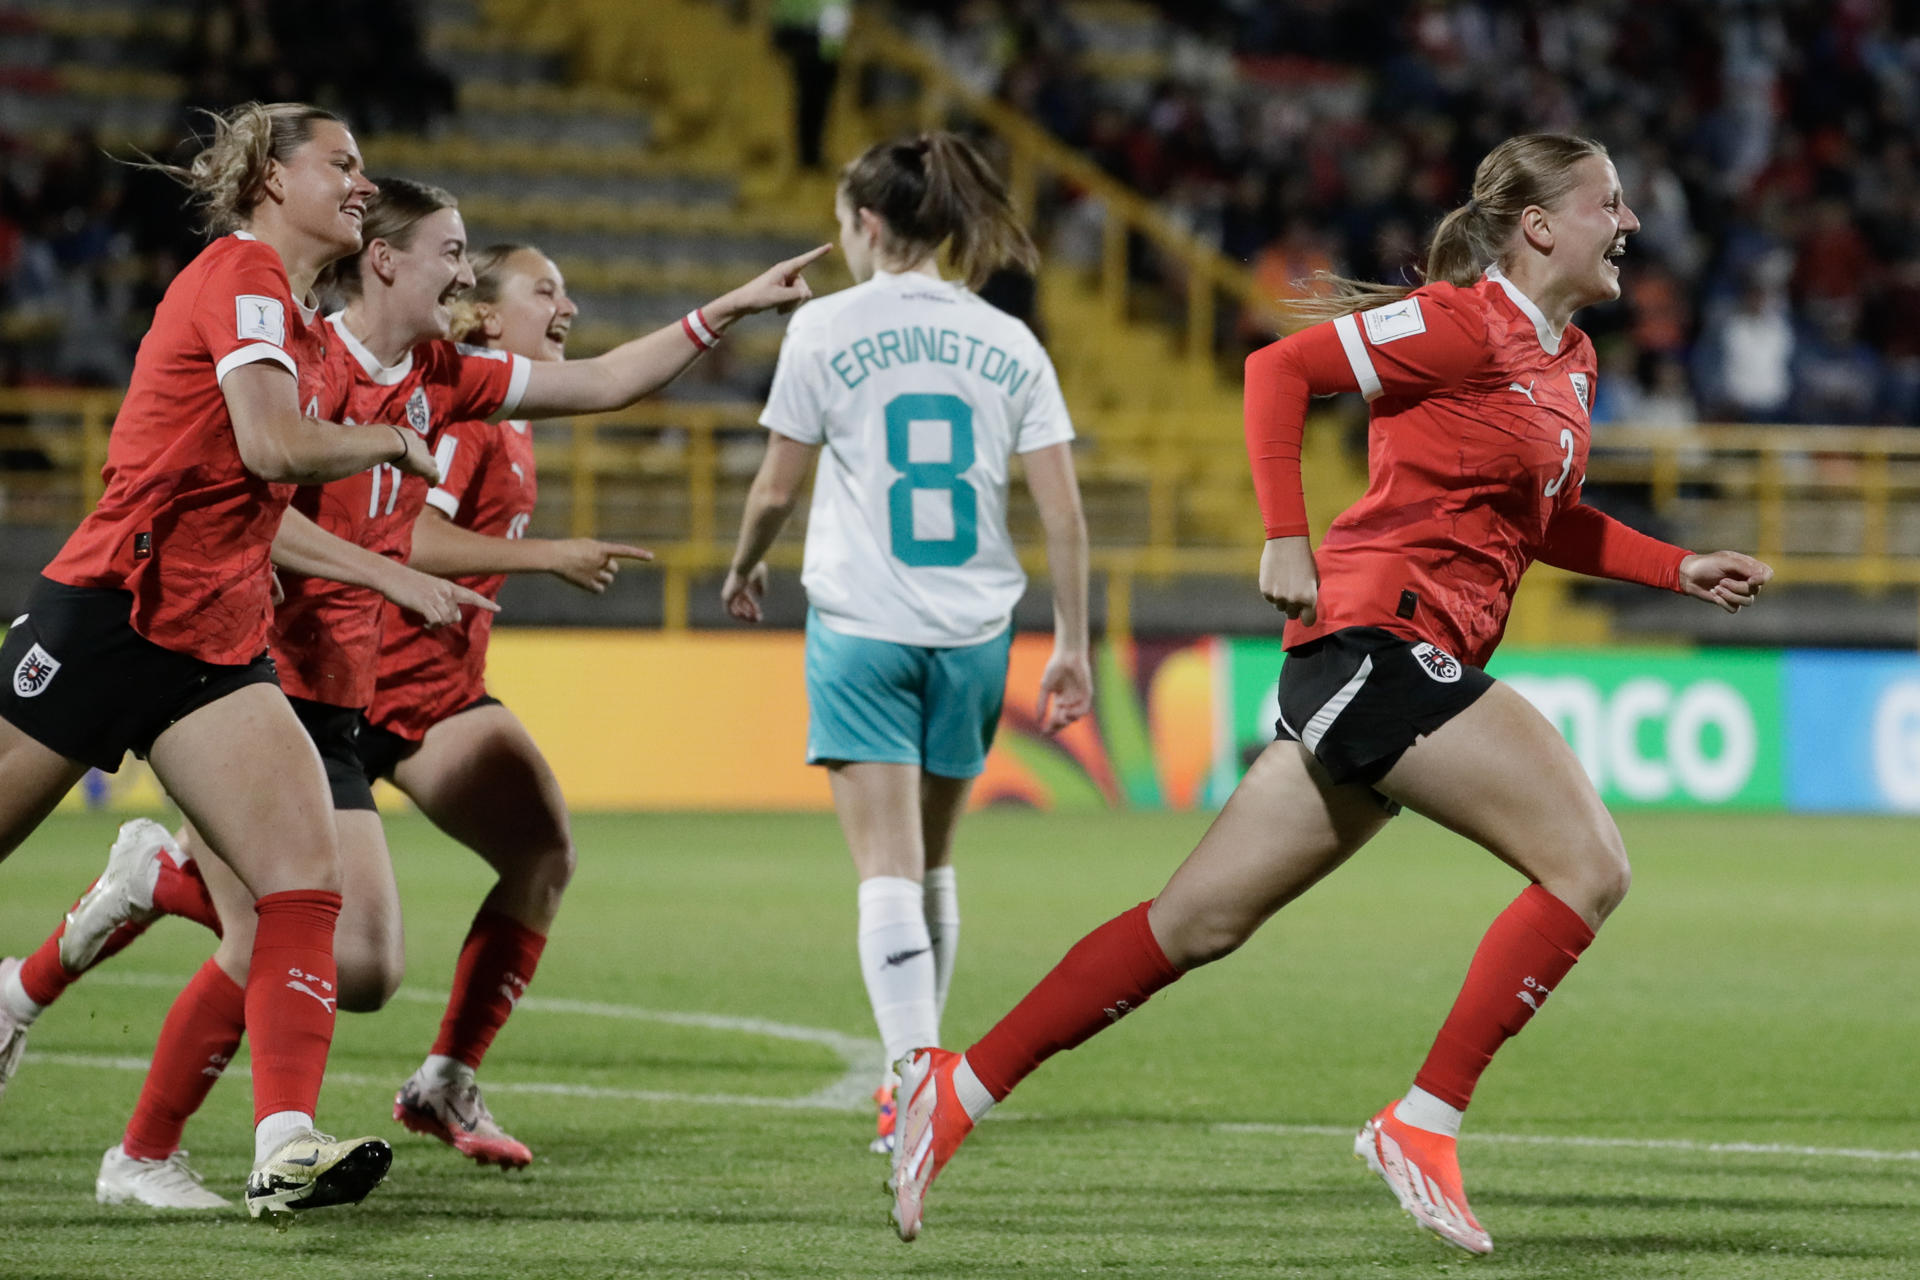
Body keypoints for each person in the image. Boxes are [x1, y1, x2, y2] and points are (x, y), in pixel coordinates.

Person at [886, 134, 1775, 1253]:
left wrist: (1673, 565)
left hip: (1394, 662)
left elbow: (1540, 518)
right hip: (1378, 639)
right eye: (1610, 201)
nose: (1632, 221)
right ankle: (1423, 1121)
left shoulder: (1572, 359)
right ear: (1540, 224)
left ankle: (956, 1086)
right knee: (1589, 862)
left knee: (1195, 921)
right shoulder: (1459, 322)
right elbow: (1277, 372)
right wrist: (1283, 536)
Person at [0, 179, 828, 1207]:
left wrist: (731, 308)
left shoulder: (439, 373)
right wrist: (391, 571)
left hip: (346, 694)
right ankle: (171, 1145)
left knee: (366, 961)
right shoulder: (299, 358)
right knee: (291, 926)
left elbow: (608, 380)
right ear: (386, 259)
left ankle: (162, 967)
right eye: (453, 251)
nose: (468, 274)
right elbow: (258, 508)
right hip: (251, 676)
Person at [0, 101, 454, 1218]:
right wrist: (390, 438)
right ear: (270, 179)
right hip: (108, 613)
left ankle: (283, 1143)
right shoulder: (239, 274)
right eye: (340, 163)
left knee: (306, 876)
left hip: (209, 642)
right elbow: (269, 444)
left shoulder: (295, 319)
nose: (360, 182)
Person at [720, 132, 1093, 1155]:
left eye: (845, 221)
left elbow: (775, 487)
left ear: (870, 224)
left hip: (863, 626)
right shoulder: (1009, 339)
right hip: (976, 630)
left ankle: (914, 1078)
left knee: (883, 867)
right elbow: (1062, 510)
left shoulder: (826, 327)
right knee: (932, 859)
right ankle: (925, 1076)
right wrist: (1073, 640)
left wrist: (747, 561)